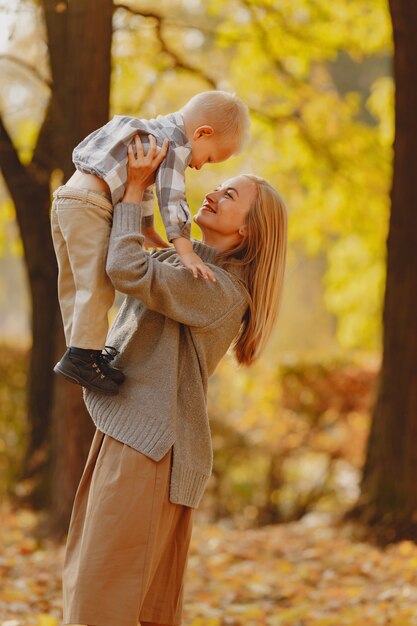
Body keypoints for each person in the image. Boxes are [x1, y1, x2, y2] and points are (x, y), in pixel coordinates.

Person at [62, 136, 287, 626]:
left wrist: (133, 190)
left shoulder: (217, 289)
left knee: (101, 603)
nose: (214, 193)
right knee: (118, 599)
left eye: (230, 196)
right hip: (139, 437)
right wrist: (139, 194)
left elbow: (126, 266)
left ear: (247, 231)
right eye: (220, 185)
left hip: (151, 450)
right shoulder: (191, 267)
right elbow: (135, 256)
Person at [51, 91, 250, 396]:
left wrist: (147, 229)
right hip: (93, 206)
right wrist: (184, 248)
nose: (199, 167)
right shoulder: (175, 147)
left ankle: (80, 350)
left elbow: (141, 188)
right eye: (208, 158)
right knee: (97, 284)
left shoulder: (146, 132)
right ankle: (83, 356)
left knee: (74, 283)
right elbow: (171, 198)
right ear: (202, 133)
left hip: (68, 198)